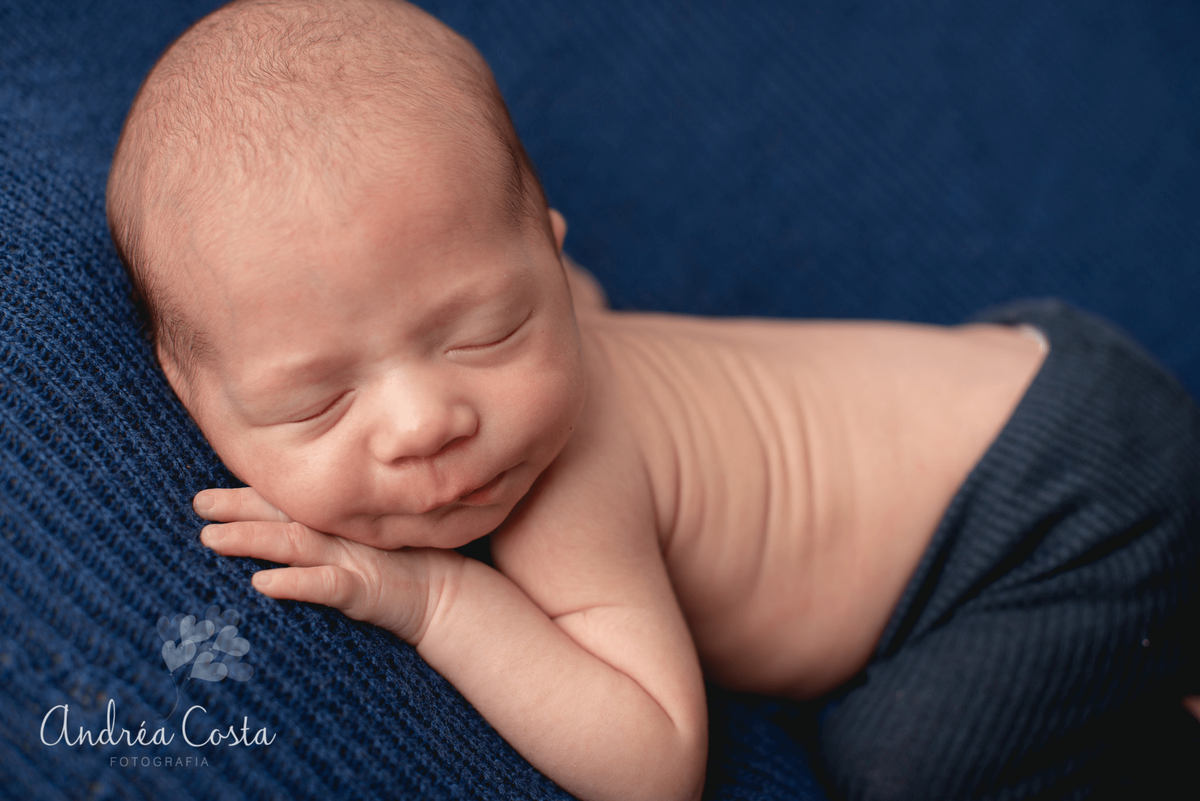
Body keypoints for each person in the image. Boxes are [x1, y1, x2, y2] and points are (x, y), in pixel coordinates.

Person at [105, 0, 1200, 798]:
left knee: (899, 766)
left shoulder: (567, 485)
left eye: (488, 331)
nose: (426, 423)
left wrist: (433, 604)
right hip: (1028, 379)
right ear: (187, 392)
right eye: (316, 403)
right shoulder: (542, 334)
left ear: (550, 254)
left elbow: (652, 762)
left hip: (1059, 505)